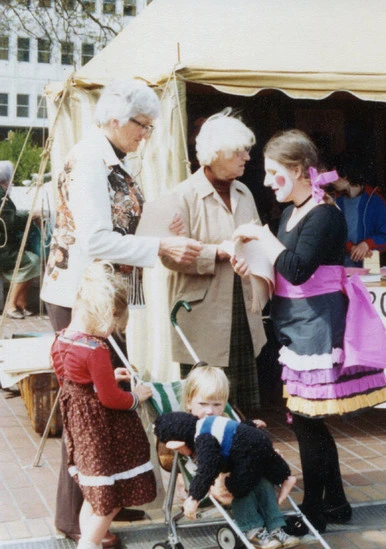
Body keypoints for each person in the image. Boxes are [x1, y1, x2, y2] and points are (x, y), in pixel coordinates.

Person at [40, 79, 202, 546]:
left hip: (103, 296)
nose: (147, 134)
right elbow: (93, 240)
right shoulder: (91, 159)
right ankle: (79, 519)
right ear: (114, 118)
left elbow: (118, 227)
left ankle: (100, 508)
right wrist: (159, 243)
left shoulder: (112, 157)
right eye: (142, 124)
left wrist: (154, 229)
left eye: (151, 125)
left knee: (106, 407)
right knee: (89, 412)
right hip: (81, 298)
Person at [232, 129, 386, 533]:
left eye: (274, 173)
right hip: (299, 325)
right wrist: (252, 264)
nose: (268, 182)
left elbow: (296, 268)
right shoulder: (291, 213)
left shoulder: (325, 214)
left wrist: (264, 238)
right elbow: (282, 267)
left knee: (307, 419)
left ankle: (316, 511)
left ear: (299, 171)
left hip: (318, 327)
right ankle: (334, 503)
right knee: (308, 420)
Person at [162, 110, 270, 415]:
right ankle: (207, 461)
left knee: (244, 405)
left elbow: (257, 241)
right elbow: (168, 255)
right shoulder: (182, 195)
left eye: (246, 150)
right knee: (206, 402)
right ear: (215, 153)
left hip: (242, 308)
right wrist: (217, 253)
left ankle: (243, 460)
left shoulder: (244, 192)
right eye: (239, 151)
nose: (247, 157)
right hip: (203, 314)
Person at [50, 261, 156, 549]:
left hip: (80, 431)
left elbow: (75, 380)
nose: (111, 329)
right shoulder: (96, 348)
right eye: (112, 319)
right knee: (109, 501)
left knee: (94, 493)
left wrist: (107, 376)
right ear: (100, 311)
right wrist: (137, 397)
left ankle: (90, 542)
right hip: (102, 433)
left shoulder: (62, 340)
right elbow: (110, 398)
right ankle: (89, 544)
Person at [180, 366, 299, 548]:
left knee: (263, 481)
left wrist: (249, 427)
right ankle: (253, 529)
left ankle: (275, 527)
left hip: (239, 468)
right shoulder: (190, 427)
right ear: (189, 402)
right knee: (241, 486)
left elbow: (238, 439)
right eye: (203, 404)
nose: (210, 411)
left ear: (224, 403)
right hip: (212, 478)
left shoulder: (225, 420)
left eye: (217, 405)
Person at [327, 156, 386, 267]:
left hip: (368, 268)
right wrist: (350, 247)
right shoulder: (334, 200)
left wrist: (367, 244)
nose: (331, 180)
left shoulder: (375, 200)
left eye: (334, 175)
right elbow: (330, 236)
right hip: (340, 266)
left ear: (346, 175)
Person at [0, 160, 41, 318]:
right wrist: (31, 215)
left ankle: (21, 302)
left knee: (32, 259)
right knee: (33, 262)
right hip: (3, 249)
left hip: (5, 246)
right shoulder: (1, 195)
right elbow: (7, 219)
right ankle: (11, 305)